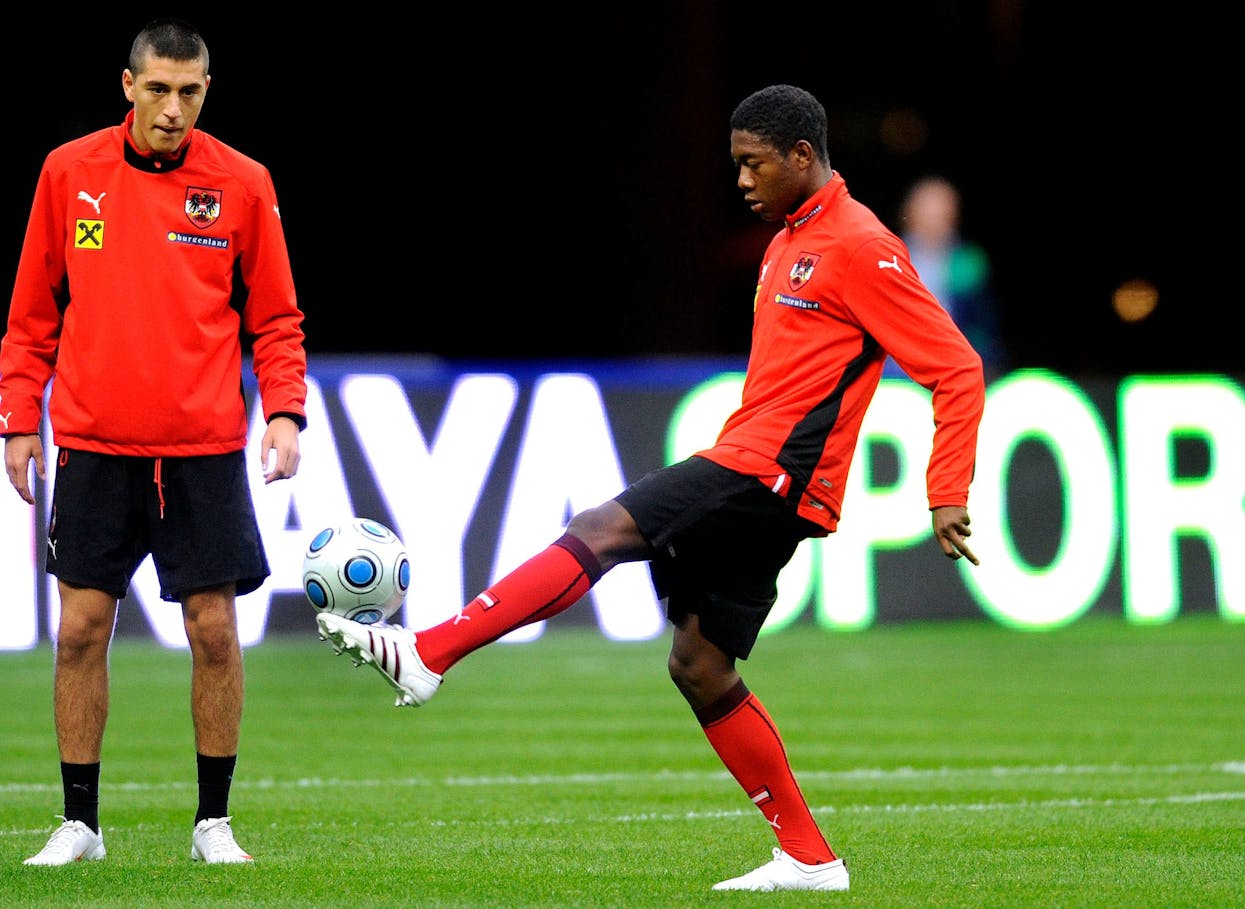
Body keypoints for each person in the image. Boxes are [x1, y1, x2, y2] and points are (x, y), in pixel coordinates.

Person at [314, 83, 985, 891]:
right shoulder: (787, 240)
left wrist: (945, 488)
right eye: (735, 162)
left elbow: (957, 365)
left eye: (753, 163)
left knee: (602, 528)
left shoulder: (862, 245)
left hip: (772, 471)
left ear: (803, 157)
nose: (740, 180)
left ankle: (429, 653)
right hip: (757, 465)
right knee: (700, 664)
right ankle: (811, 857)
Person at [1, 18, 307, 865]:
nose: (174, 108)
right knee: (78, 631)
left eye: (191, 92)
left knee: (214, 631)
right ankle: (79, 824)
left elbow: (276, 318)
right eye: (160, 89)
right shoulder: (70, 172)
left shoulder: (243, 183)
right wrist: (19, 419)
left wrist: (284, 409)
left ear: (206, 91)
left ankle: (213, 821)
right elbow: (31, 314)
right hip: (96, 445)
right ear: (127, 86)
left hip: (202, 448)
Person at [899, 175, 1005, 373]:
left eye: (940, 212)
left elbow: (984, 326)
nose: (933, 219)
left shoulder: (969, 263)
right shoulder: (888, 255)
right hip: (897, 362)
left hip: (953, 359)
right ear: (909, 214)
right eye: (926, 211)